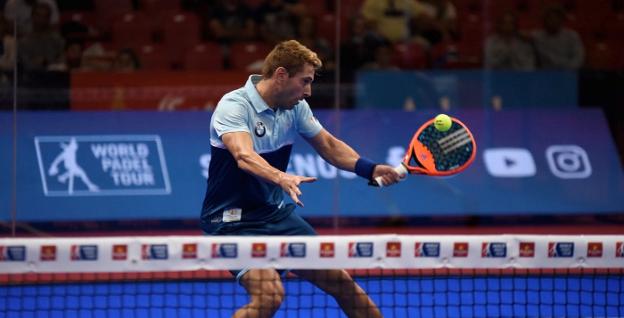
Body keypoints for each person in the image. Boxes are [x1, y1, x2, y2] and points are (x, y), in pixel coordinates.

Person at [200, 39, 401, 318]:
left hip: (273, 214)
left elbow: (328, 146)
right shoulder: (234, 105)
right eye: (304, 81)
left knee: (341, 282)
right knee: (270, 295)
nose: (308, 91)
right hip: (231, 221)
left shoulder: (295, 108)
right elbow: (243, 156)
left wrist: (369, 168)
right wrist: (281, 178)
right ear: (281, 75)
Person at [532, 5, 584, 70]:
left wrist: (567, 70)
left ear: (562, 20)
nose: (552, 21)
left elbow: (578, 58)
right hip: (545, 74)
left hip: (568, 73)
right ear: (544, 20)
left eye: (555, 18)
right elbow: (522, 34)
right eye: (549, 18)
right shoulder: (537, 36)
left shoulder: (572, 36)